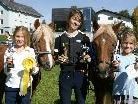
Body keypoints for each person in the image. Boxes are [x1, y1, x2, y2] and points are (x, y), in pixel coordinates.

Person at [54, 8, 91, 104]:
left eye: (79, 21)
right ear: (68, 19)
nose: (76, 23)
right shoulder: (59, 38)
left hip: (81, 75)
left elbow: (90, 56)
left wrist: (88, 58)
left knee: (81, 102)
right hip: (65, 75)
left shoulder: (85, 38)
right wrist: (58, 59)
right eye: (74, 19)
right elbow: (55, 57)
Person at [4, 26, 39, 104]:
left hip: (25, 88)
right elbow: (6, 72)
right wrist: (9, 65)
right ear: (14, 37)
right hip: (10, 87)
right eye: (17, 36)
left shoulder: (30, 51)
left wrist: (33, 68)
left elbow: (35, 71)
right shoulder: (9, 51)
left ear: (26, 38)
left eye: (23, 37)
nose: (20, 39)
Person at [112, 30, 138, 104]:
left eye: (131, 43)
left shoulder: (136, 58)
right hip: (118, 94)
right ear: (121, 44)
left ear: (135, 45)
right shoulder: (116, 57)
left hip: (133, 94)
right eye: (125, 43)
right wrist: (114, 67)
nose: (128, 46)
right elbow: (111, 74)